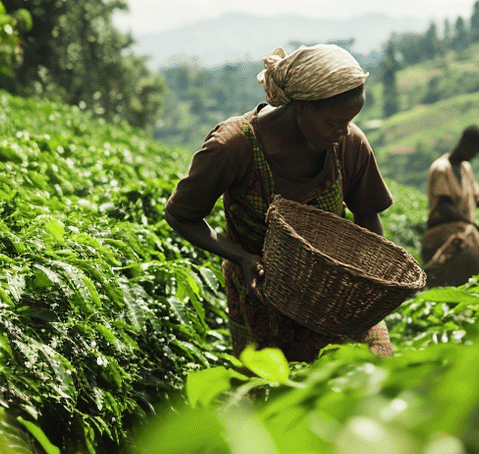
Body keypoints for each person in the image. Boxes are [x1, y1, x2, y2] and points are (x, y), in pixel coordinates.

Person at [163, 44, 394, 362]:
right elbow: (180, 215)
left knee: (369, 384)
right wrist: (242, 257)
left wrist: (367, 280)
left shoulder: (349, 144)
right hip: (264, 301)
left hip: (336, 298)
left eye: (349, 121)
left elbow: (368, 217)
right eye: (333, 123)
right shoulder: (234, 146)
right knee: (279, 399)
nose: (343, 132)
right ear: (301, 107)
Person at [421, 125, 479, 287]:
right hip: (444, 233)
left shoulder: (465, 168)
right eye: (474, 151)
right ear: (465, 144)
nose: (474, 156)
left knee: (472, 282)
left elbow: (475, 192)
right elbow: (443, 206)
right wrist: (469, 223)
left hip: (464, 232)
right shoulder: (441, 168)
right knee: (448, 283)